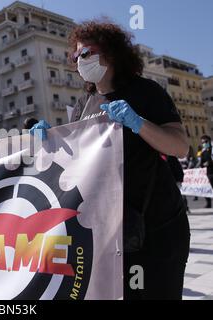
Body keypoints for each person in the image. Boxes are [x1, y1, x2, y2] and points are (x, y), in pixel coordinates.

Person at [65, 20, 190, 300]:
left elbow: (180, 146)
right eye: (75, 56)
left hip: (158, 227)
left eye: (85, 53)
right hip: (112, 232)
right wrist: (48, 144)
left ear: (111, 53)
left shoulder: (144, 91)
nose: (79, 61)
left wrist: (138, 123)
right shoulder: (82, 107)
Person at [200, 135, 213, 208]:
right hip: (209, 173)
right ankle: (208, 203)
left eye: (205, 142)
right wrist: (204, 164)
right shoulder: (203, 152)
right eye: (202, 142)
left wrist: (210, 162)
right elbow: (201, 163)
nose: (204, 143)